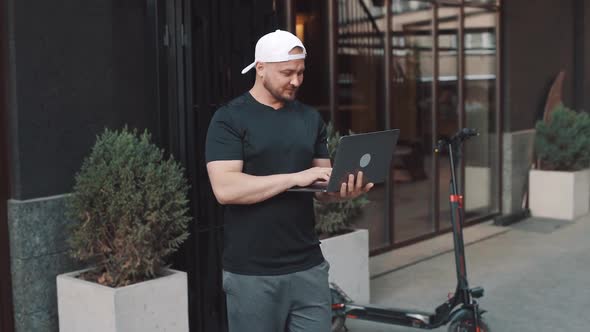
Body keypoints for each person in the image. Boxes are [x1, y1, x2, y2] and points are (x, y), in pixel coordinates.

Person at [205, 29, 374, 332]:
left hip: (309, 266)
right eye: (287, 73)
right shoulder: (229, 118)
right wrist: (297, 177)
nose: (295, 81)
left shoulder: (310, 119)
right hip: (252, 273)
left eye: (300, 72)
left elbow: (322, 188)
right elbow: (225, 189)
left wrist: (342, 191)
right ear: (261, 68)